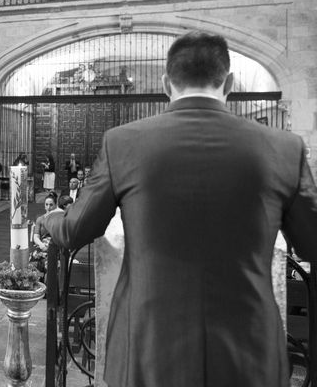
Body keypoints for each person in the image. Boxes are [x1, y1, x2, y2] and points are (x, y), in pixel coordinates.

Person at [45, 31, 317, 387]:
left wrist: (49, 218)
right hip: (248, 353)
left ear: (166, 83)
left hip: (149, 348)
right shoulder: (285, 149)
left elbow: (76, 230)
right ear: (229, 82)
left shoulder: (123, 142)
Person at [29, 193, 58, 277]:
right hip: (41, 247)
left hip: (55, 247)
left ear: (55, 206)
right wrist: (41, 245)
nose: (48, 207)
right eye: (46, 204)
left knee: (49, 264)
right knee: (33, 263)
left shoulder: (59, 219)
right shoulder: (40, 219)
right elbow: (36, 236)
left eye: (51, 205)